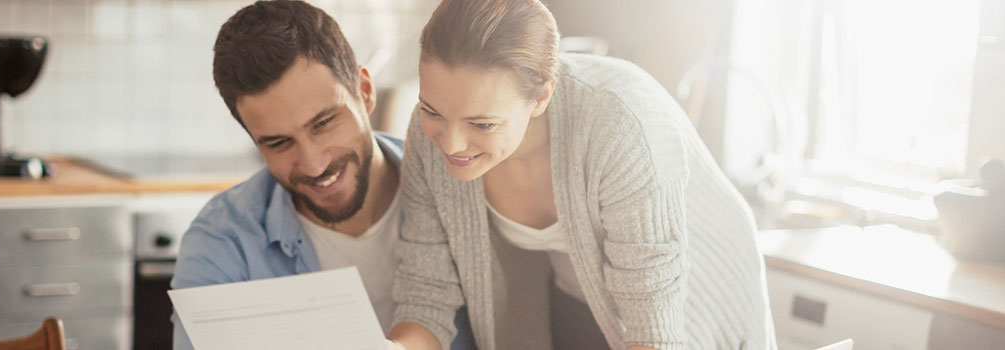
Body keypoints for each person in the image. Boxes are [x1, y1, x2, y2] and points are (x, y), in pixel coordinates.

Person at [386, 0, 778, 349]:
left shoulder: (619, 125)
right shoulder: (426, 137)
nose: (450, 145)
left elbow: (653, 331)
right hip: (574, 286)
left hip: (691, 282)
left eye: (482, 124)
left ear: (540, 97)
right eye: (432, 110)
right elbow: (426, 294)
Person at [170, 1, 472, 349]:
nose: (313, 165)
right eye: (279, 143)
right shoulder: (224, 241)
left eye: (324, 123)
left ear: (365, 91)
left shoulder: (457, 189)